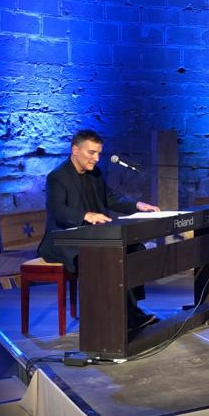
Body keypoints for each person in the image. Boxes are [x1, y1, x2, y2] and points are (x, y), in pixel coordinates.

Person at [37, 129, 160, 330]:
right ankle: (118, 316)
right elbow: (57, 211)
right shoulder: (57, 177)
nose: (96, 158)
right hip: (64, 241)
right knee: (107, 257)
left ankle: (131, 310)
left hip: (92, 236)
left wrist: (137, 205)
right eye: (91, 152)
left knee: (133, 248)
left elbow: (110, 198)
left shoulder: (95, 173)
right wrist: (86, 215)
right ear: (75, 150)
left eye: (99, 153)